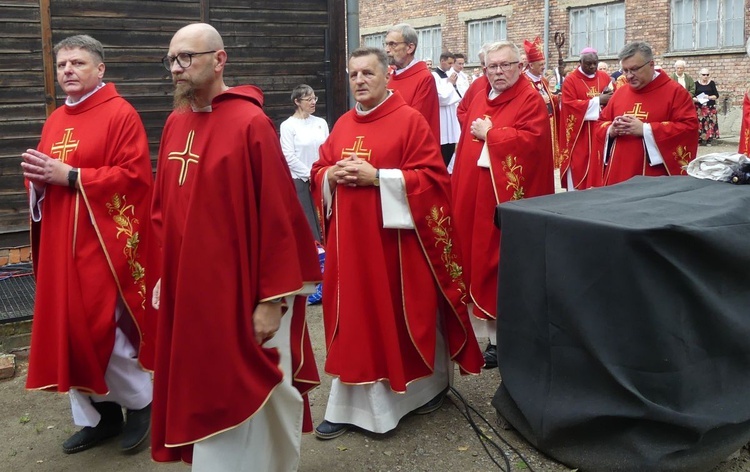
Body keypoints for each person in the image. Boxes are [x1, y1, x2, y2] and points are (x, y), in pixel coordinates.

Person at [150, 23, 321, 471]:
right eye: (171, 60)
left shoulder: (250, 122)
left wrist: (272, 299)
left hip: (245, 289)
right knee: (201, 381)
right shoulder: (174, 123)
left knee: (253, 384)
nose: (176, 68)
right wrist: (165, 273)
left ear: (219, 59)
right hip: (192, 293)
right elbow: (163, 211)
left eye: (186, 57)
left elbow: (279, 216)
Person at [310, 46, 483, 440]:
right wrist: (330, 175)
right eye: (353, 74)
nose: (359, 81)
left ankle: (423, 390)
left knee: (394, 316)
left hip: (396, 250)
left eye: (367, 73)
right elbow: (319, 168)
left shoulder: (410, 122)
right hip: (349, 248)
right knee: (354, 319)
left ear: (387, 75)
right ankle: (347, 404)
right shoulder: (341, 125)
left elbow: (434, 181)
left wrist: (380, 178)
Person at [20, 34, 153, 454]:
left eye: (77, 63)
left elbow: (135, 179)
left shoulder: (121, 114)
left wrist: (74, 176)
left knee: (103, 330)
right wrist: (38, 182)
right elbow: (47, 172)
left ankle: (141, 405)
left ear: (100, 70)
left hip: (102, 248)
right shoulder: (56, 118)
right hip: (62, 245)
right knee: (69, 332)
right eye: (62, 65)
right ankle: (101, 416)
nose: (68, 71)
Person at [451, 41, 555, 370]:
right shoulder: (480, 88)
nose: (498, 72)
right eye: (491, 66)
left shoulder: (529, 99)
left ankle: (501, 338)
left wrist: (493, 134)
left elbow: (534, 141)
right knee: (469, 254)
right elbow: (464, 111)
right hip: (471, 190)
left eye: (505, 65)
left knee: (495, 260)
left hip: (501, 199)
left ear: (520, 66)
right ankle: (477, 329)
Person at [595, 41, 698, 186]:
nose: (629, 76)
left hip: (654, 178)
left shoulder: (676, 93)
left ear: (651, 64)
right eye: (625, 70)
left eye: (634, 69)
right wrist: (611, 130)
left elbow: (689, 128)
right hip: (617, 174)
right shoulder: (620, 92)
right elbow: (600, 123)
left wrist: (645, 130)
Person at [279, 84, 329, 241]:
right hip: (301, 180)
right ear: (297, 102)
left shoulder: (321, 122)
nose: (313, 102)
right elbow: (288, 156)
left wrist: (321, 172)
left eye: (314, 98)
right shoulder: (288, 126)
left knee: (325, 217)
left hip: (321, 178)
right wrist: (309, 174)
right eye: (309, 99)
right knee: (308, 220)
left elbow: (327, 148)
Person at [558, 47, 613, 190]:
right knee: (579, 165)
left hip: (599, 132)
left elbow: (612, 99)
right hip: (580, 135)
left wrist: (610, 96)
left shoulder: (604, 77)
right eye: (588, 64)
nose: (593, 67)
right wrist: (597, 101)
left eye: (595, 63)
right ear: (580, 62)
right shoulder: (571, 80)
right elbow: (568, 105)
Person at [384, 23, 440, 143]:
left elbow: (416, 120)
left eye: (392, 44)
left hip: (408, 144)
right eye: (386, 44)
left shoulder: (424, 78)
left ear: (410, 48)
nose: (387, 50)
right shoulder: (388, 75)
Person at [524, 37, 561, 167]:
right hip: (533, 125)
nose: (543, 67)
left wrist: (557, 99)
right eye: (540, 64)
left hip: (548, 122)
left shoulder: (543, 80)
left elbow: (549, 98)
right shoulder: (523, 81)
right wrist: (539, 100)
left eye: (544, 64)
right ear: (531, 65)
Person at [432, 51, 462, 166]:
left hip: (450, 114)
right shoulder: (434, 76)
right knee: (443, 147)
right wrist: (450, 84)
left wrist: (452, 84)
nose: (451, 66)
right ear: (442, 61)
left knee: (451, 146)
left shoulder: (449, 76)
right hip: (442, 115)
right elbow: (441, 98)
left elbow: (458, 95)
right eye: (449, 63)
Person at [693, 67, 720, 145]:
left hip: (710, 107)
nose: (705, 76)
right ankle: (700, 139)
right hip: (700, 107)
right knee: (700, 123)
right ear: (700, 75)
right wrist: (697, 99)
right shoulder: (696, 84)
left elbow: (716, 95)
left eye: (707, 74)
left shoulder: (711, 83)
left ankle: (710, 139)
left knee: (710, 123)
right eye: (704, 74)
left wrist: (709, 97)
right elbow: (692, 96)